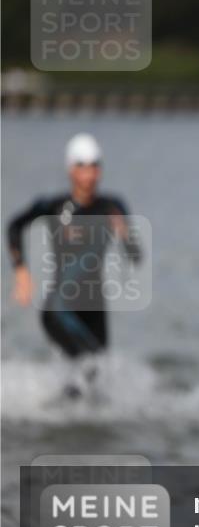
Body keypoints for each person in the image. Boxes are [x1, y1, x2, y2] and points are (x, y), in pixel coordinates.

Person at [7, 133, 141, 395]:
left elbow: (136, 255)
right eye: (82, 166)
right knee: (91, 366)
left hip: (95, 308)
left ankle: (68, 423)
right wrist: (21, 271)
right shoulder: (55, 206)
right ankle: (57, 420)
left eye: (94, 166)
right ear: (70, 169)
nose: (89, 174)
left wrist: (125, 234)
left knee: (97, 378)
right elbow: (14, 226)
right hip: (60, 309)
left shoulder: (113, 206)